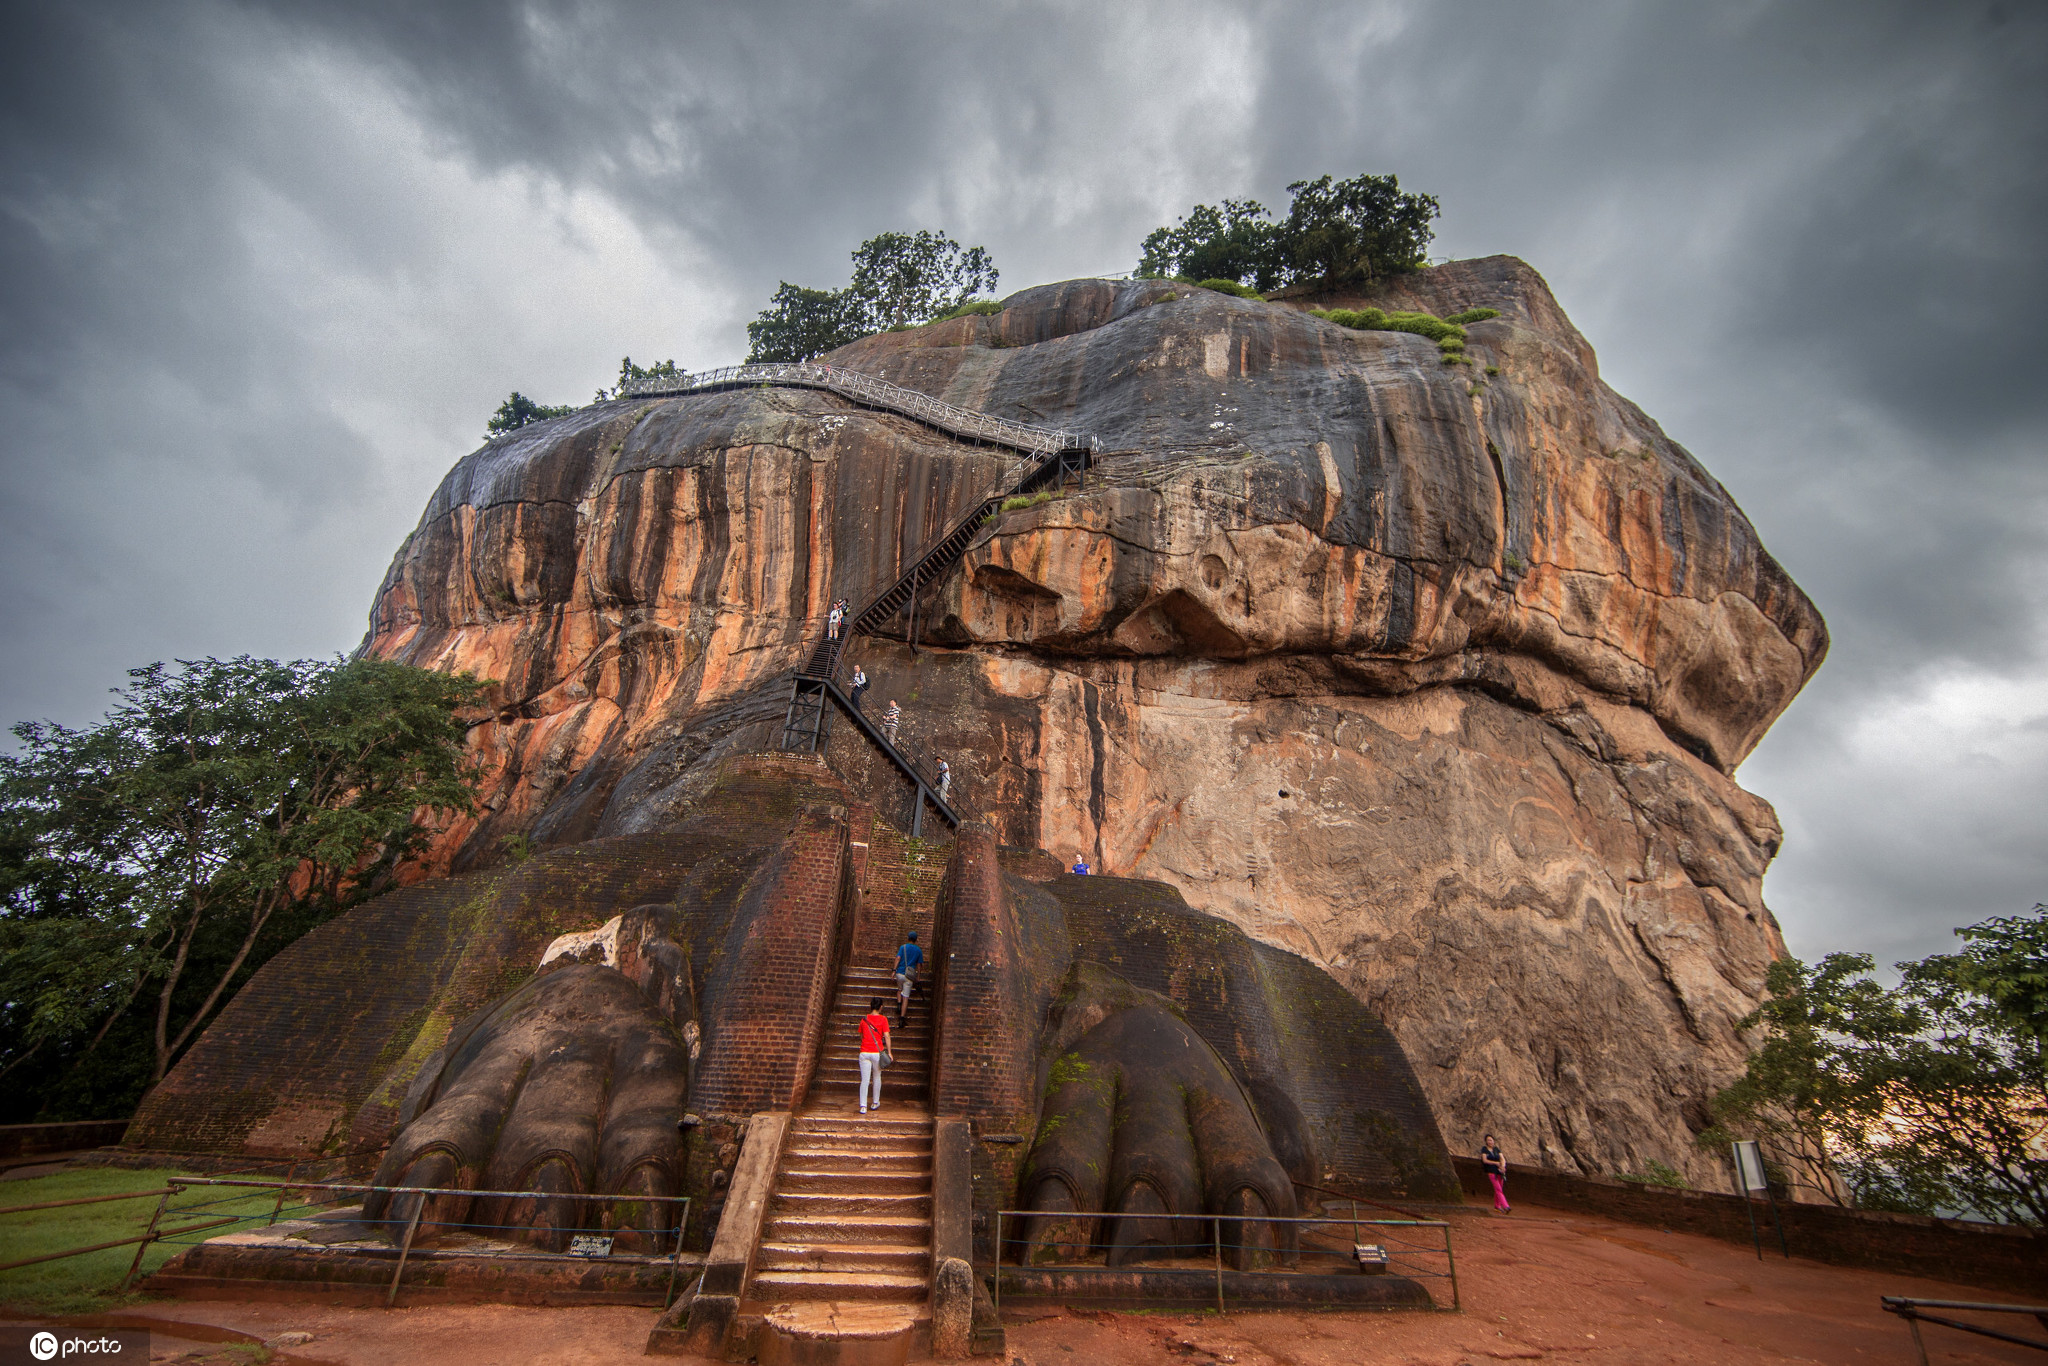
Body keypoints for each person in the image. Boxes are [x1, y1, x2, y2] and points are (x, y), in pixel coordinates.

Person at [858, 997, 891, 1114]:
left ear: (871, 1006)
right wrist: (890, 1052)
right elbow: (886, 1036)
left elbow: (861, 1036)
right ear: (880, 1007)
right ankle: (875, 1102)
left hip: (864, 1052)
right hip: (877, 1053)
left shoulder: (864, 1019)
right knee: (877, 1077)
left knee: (865, 1080)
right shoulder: (883, 1019)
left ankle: (863, 1106)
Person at [893, 932, 923, 1023]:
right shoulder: (918, 950)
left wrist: (894, 970)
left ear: (908, 938)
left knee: (899, 989)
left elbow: (898, 958)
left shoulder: (903, 947)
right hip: (909, 976)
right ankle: (902, 1018)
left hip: (900, 973)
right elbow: (919, 965)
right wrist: (918, 977)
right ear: (916, 940)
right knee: (906, 997)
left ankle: (898, 1004)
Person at [1479, 1134, 1511, 1214]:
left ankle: (1497, 1206)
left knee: (1499, 1189)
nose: (1490, 1142)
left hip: (1499, 1172)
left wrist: (1503, 1166)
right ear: (1486, 1142)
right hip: (1491, 1171)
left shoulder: (1496, 1149)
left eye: (1491, 1140)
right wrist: (1495, 1163)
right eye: (1488, 1140)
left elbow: (1502, 1159)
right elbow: (1485, 1160)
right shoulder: (1484, 1149)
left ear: (1494, 1141)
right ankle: (1505, 1206)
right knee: (1498, 1189)